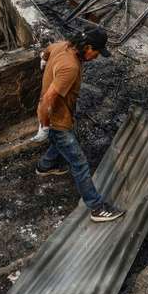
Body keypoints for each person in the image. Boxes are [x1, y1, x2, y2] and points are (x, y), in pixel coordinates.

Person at [35, 27, 125, 223]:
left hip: (58, 116)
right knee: (79, 163)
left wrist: (43, 61)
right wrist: (44, 124)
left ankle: (44, 166)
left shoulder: (63, 46)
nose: (97, 57)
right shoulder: (71, 67)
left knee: (59, 142)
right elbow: (49, 98)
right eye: (97, 52)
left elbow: (46, 50)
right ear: (89, 47)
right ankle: (97, 208)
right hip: (57, 120)